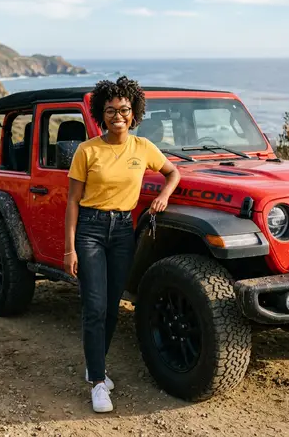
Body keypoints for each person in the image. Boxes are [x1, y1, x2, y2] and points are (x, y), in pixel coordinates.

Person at [64, 76, 181, 413]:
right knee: (95, 306)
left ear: (134, 113)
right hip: (90, 229)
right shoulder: (88, 150)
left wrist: (162, 196)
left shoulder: (143, 147)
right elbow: (73, 202)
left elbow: (173, 173)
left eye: (124, 110)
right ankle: (98, 382)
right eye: (111, 110)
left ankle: (95, 364)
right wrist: (69, 248)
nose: (118, 115)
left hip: (122, 232)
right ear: (102, 114)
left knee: (114, 306)